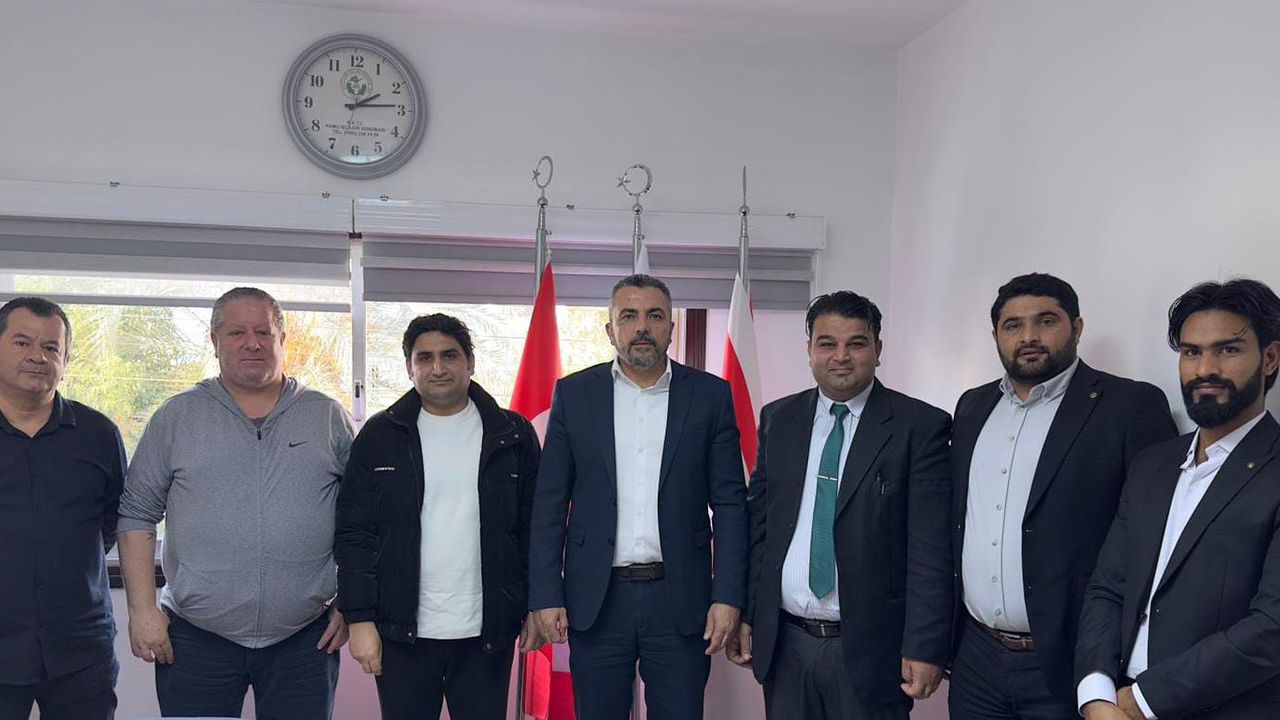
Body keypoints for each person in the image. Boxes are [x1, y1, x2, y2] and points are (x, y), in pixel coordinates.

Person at [117, 287, 355, 719]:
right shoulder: (176, 417)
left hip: (304, 640)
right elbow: (137, 514)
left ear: (282, 339)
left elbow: (361, 519)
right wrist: (142, 610)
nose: (252, 343)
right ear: (215, 340)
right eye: (237, 332)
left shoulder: (326, 416)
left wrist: (350, 600)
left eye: (263, 332)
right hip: (196, 637)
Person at [949, 273, 1176, 719]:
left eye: (1046, 321)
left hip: (1069, 658)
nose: (1028, 337)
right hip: (975, 656)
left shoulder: (1129, 406)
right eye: (1013, 325)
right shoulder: (972, 406)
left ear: (1077, 327)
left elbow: (1154, 538)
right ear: (996, 336)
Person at [528, 273, 748, 720]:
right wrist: (546, 595)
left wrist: (728, 596)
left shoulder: (710, 396)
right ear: (611, 330)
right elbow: (550, 503)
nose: (642, 327)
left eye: (654, 316)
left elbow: (730, 505)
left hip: (681, 599)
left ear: (672, 328)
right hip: (597, 599)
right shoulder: (575, 394)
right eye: (628, 316)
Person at [727, 290, 953, 720]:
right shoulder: (779, 419)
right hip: (787, 645)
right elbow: (761, 526)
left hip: (872, 649)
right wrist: (749, 612)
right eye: (827, 343)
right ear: (810, 350)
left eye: (856, 343)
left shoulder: (920, 427)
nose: (841, 356)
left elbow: (931, 550)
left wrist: (925, 645)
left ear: (878, 349)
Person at [1077, 278, 1280, 720]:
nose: (1205, 368)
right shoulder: (1152, 464)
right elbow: (1108, 587)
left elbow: (1272, 628)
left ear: (1269, 358)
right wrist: (1095, 692)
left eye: (1228, 349)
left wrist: (1142, 701)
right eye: (1191, 352)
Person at [336, 313, 542, 720]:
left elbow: (534, 529)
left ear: (470, 363)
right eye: (424, 358)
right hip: (401, 633)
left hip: (487, 631)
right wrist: (359, 620)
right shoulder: (380, 435)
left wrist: (538, 604)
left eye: (449, 355)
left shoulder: (513, 433)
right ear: (409, 367)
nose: (438, 368)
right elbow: (355, 533)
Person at [0, 297, 125, 720]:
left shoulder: (99, 435)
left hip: (81, 652)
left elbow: (113, 520)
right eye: (22, 342)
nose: (38, 356)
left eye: (51, 347)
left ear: (65, 360)